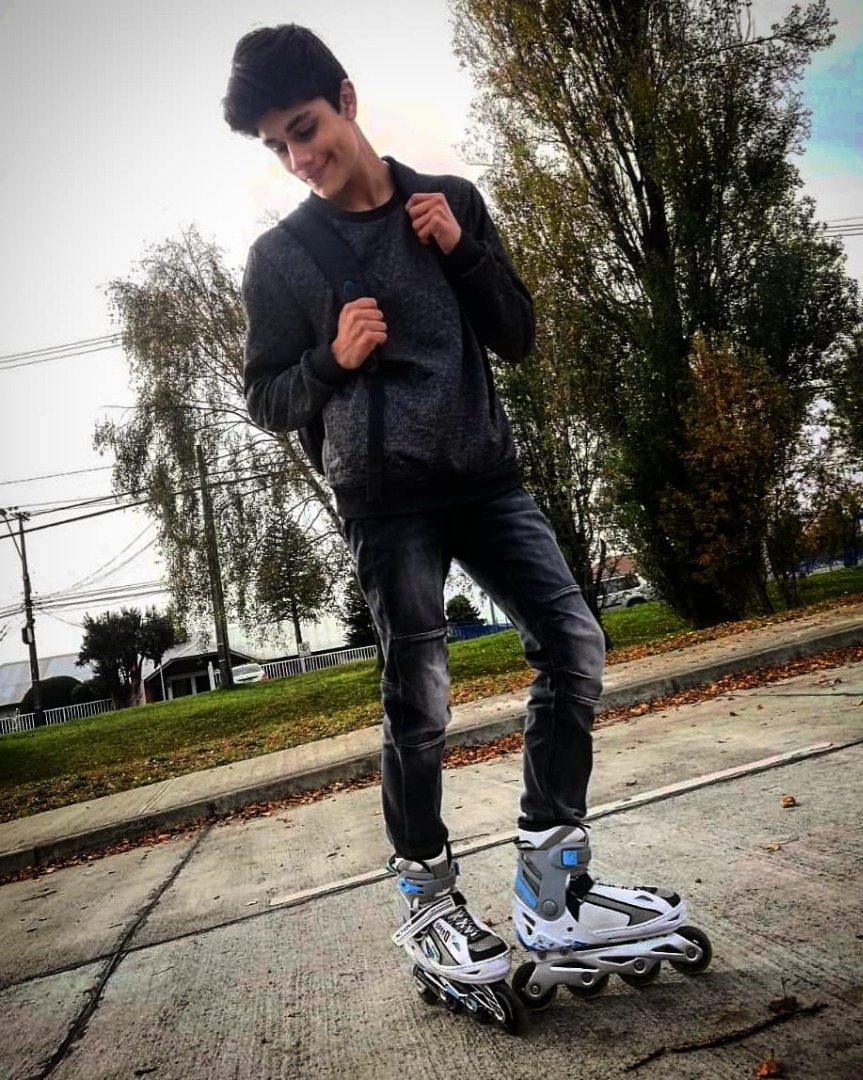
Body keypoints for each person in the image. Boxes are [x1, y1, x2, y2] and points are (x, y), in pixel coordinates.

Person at [222, 24, 688, 1010]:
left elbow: (516, 333)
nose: (298, 158)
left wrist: (462, 252)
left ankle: (550, 885)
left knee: (574, 643)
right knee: (420, 702)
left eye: (303, 129)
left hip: (486, 479)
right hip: (385, 502)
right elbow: (265, 398)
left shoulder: (450, 202)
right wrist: (332, 359)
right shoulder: (280, 258)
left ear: (346, 100)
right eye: (276, 146)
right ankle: (428, 900)